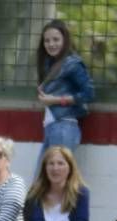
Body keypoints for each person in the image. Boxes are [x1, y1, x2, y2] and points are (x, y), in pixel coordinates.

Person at [36, 19, 94, 158]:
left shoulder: (73, 63)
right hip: (52, 127)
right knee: (44, 179)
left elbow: (89, 93)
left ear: (65, 40)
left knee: (53, 178)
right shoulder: (51, 64)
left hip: (63, 127)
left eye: (56, 39)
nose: (51, 44)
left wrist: (56, 100)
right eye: (47, 40)